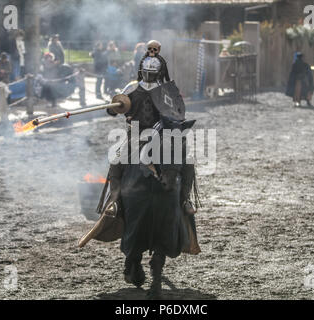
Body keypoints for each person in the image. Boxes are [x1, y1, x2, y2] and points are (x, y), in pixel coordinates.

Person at [97, 40, 199, 299]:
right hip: (135, 137)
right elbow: (116, 107)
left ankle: (184, 198)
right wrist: (114, 107)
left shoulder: (168, 90)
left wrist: (171, 125)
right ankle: (116, 202)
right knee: (117, 159)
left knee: (186, 163)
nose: (149, 74)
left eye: (153, 71)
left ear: (160, 69)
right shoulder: (132, 88)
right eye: (147, 71)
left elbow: (177, 112)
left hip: (164, 137)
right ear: (141, 69)